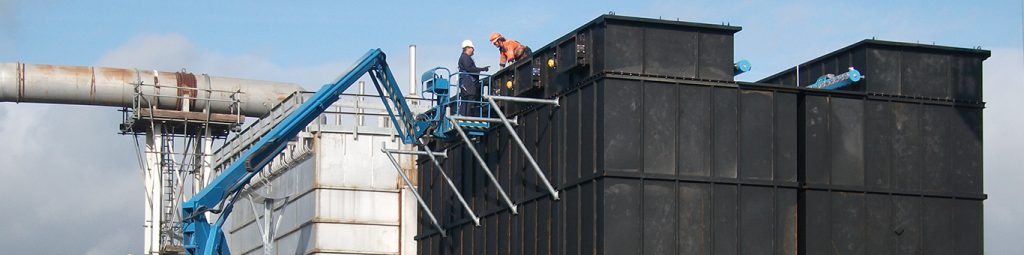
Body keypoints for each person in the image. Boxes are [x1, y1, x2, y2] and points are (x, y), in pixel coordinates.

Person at [458, 39, 489, 116]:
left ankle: (464, 115)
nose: (473, 50)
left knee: (467, 98)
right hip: (467, 81)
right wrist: (482, 69)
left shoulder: (465, 57)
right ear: (467, 48)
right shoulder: (465, 57)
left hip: (467, 81)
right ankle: (466, 116)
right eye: (472, 48)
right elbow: (469, 68)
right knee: (469, 96)